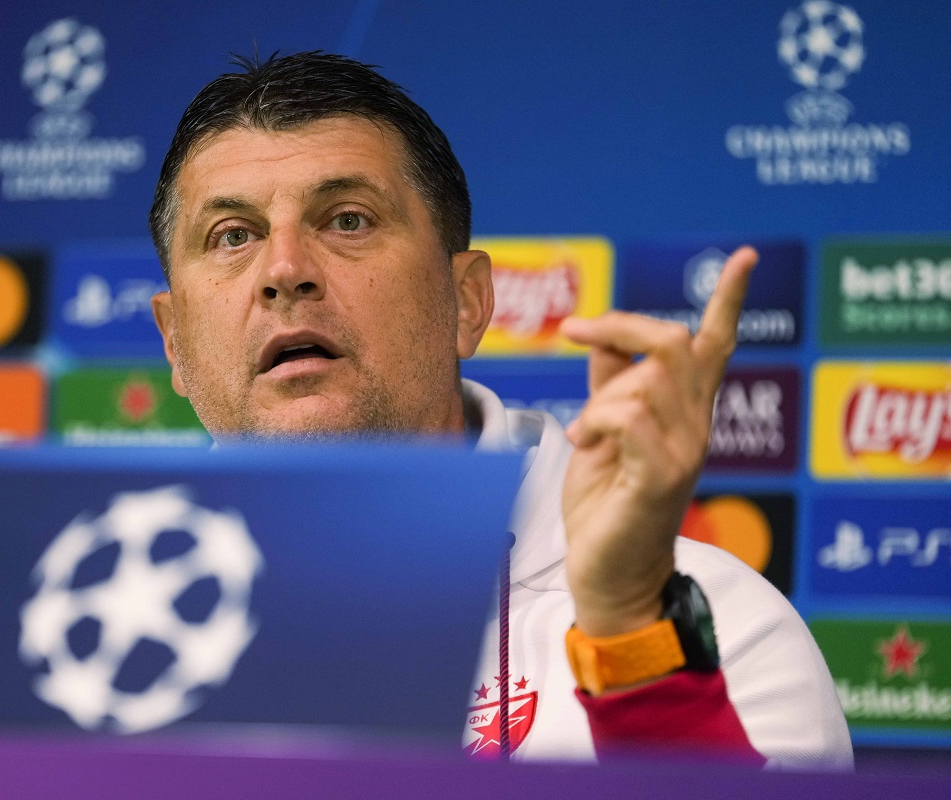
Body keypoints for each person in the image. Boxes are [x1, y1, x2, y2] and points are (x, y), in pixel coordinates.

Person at [148, 51, 852, 768]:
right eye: (232, 235)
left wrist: (630, 636)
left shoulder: (715, 634)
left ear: (468, 302)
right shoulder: (98, 640)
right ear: (174, 340)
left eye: (349, 220)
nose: (285, 269)